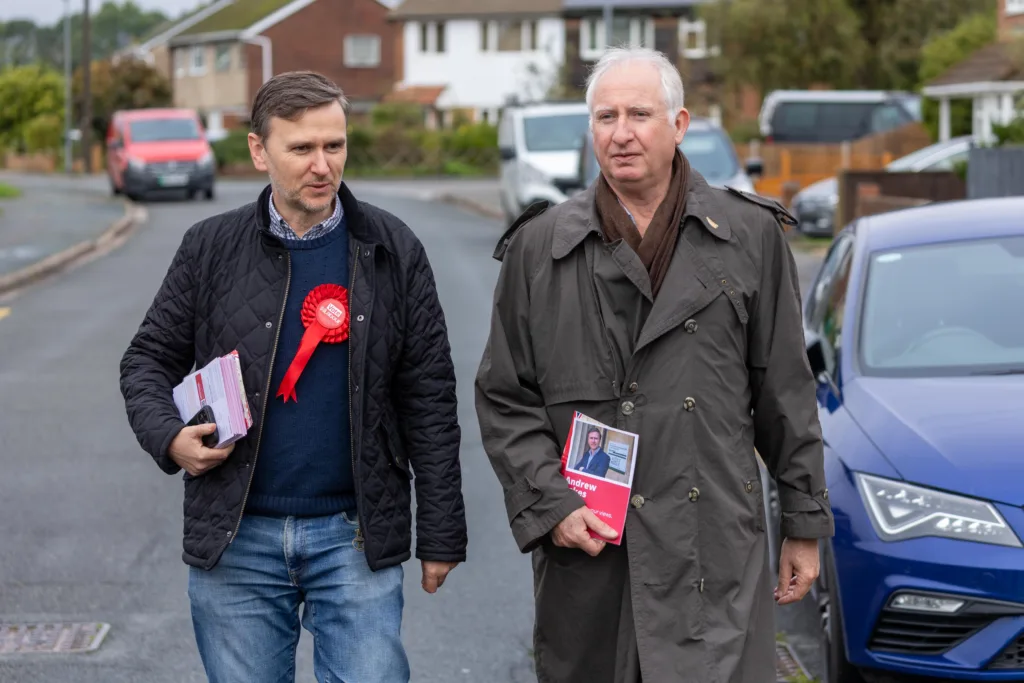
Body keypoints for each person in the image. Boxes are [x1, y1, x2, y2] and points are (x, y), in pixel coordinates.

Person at [475, 48, 834, 683]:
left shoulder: (750, 237)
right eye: (605, 116)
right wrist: (550, 504)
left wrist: (803, 525)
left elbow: (786, 393)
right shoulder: (540, 247)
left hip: (713, 545)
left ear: (679, 123)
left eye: (640, 113)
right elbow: (506, 397)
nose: (621, 132)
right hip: (592, 549)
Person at [120, 70, 467, 683]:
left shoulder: (393, 248)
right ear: (259, 151)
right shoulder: (209, 247)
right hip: (236, 537)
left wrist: (441, 534)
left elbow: (429, 397)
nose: (322, 165)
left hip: (355, 536)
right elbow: (146, 359)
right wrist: (169, 438)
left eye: (333, 146)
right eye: (301, 148)